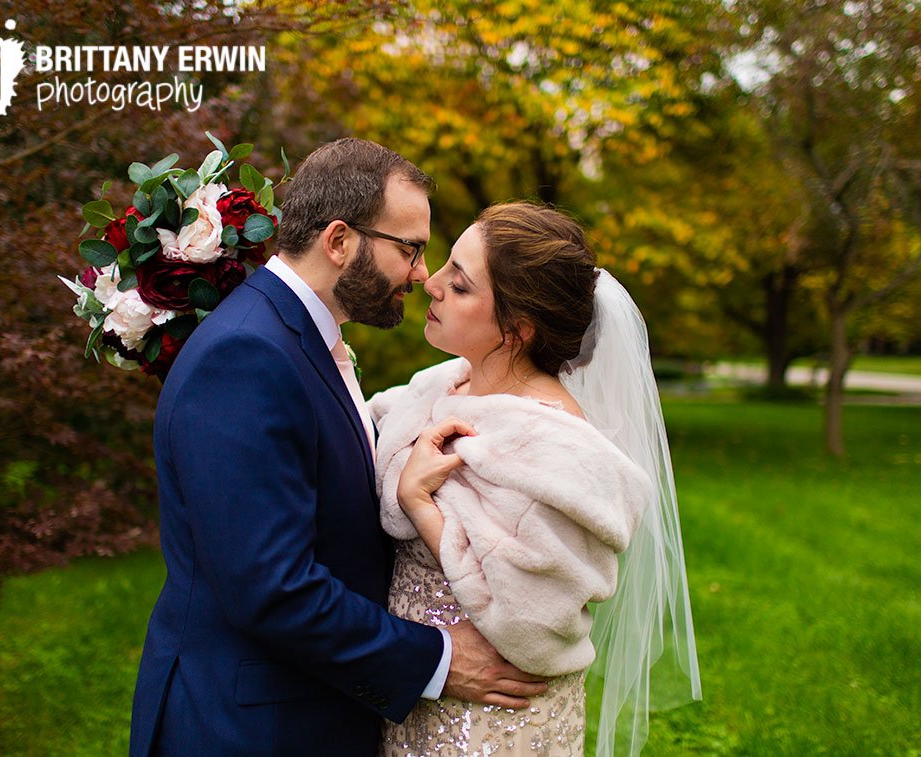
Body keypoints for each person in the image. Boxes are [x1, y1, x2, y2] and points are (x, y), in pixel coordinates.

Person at [129, 141, 546, 756]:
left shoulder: (303, 339)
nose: (422, 275)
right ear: (340, 241)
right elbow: (272, 587)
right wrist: (436, 658)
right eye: (410, 248)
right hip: (246, 727)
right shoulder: (246, 356)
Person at [370, 203, 702, 756]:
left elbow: (534, 623)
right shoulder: (442, 385)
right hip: (416, 699)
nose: (432, 284)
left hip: (491, 722)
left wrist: (418, 502)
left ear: (516, 330)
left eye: (462, 283)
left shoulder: (557, 449)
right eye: (446, 266)